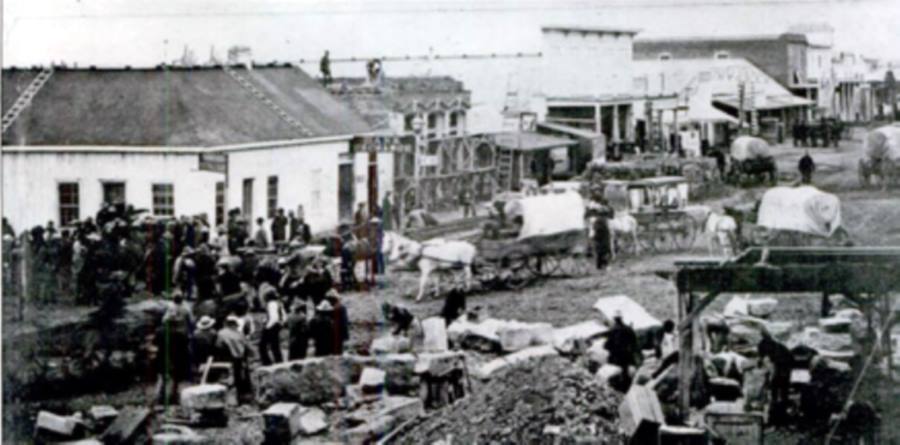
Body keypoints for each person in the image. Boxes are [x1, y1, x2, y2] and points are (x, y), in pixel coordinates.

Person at [757, 332, 793, 424]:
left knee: (777, 394)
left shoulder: (771, 347)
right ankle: (779, 416)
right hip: (784, 372)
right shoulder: (777, 347)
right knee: (780, 394)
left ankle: (777, 417)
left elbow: (766, 361)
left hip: (782, 372)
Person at [154, 317, 191, 405]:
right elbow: (185, 347)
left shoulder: (159, 333)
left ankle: (161, 397)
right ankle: (173, 396)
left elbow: (155, 344)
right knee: (175, 379)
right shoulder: (179, 334)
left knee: (163, 378)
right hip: (176, 359)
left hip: (162, 358)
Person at [215, 315, 252, 402]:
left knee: (234, 376)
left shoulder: (221, 333)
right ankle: (243, 393)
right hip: (239, 357)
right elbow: (247, 346)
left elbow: (218, 345)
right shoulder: (239, 334)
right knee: (241, 375)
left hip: (227, 357)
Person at [605, 311, 639, 382]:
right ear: (621, 318)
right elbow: (634, 342)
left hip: (615, 355)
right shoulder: (628, 329)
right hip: (627, 354)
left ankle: (618, 383)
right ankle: (625, 383)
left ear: (615, 319)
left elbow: (607, 344)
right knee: (625, 370)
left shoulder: (613, 330)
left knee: (615, 370)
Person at [259, 283, 286, 365]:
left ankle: (267, 362)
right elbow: (284, 315)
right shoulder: (278, 303)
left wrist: (267, 327)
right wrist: (281, 323)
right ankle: (279, 361)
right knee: (275, 346)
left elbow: (274, 317)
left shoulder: (271, 304)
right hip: (277, 325)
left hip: (272, 326)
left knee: (262, 345)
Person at [326, 290, 350, 354]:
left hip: (334, 333)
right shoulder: (341, 308)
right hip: (338, 333)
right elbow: (344, 322)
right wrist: (346, 335)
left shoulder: (330, 309)